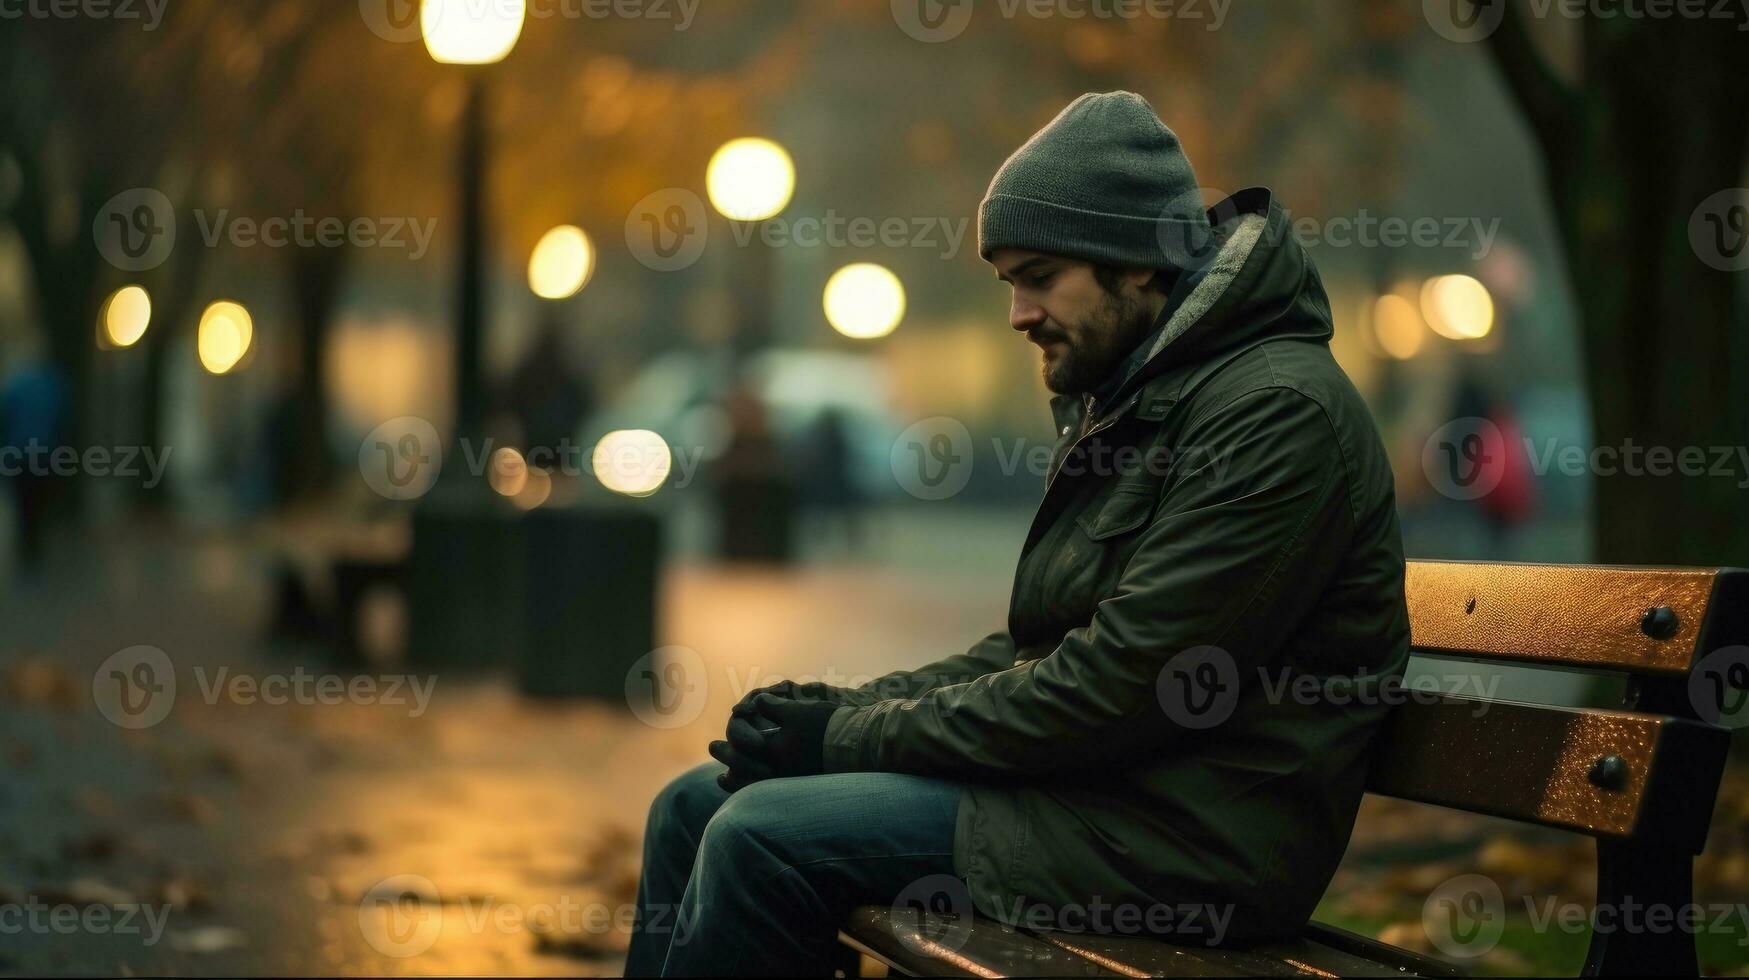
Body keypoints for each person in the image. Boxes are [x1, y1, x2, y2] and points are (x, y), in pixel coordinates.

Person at [627, 91, 1410, 978]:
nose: (1018, 314)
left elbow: (1115, 686)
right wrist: (841, 710)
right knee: (694, 803)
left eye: (1040, 276)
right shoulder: (1143, 396)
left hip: (1189, 845)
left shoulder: (1272, 416)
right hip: (1093, 796)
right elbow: (1032, 646)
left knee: (761, 838)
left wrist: (843, 740)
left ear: (1140, 261)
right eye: (1009, 282)